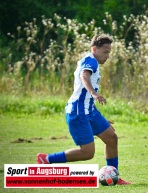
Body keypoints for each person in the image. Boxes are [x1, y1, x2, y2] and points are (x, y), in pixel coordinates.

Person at [36, 34, 131, 185]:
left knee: (111, 138)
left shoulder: (93, 62)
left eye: (109, 52)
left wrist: (101, 119)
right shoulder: (90, 61)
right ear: (94, 49)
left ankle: (113, 175)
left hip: (90, 111)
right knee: (87, 153)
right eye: (105, 52)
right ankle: (46, 159)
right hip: (78, 112)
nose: (108, 56)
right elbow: (83, 76)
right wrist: (94, 93)